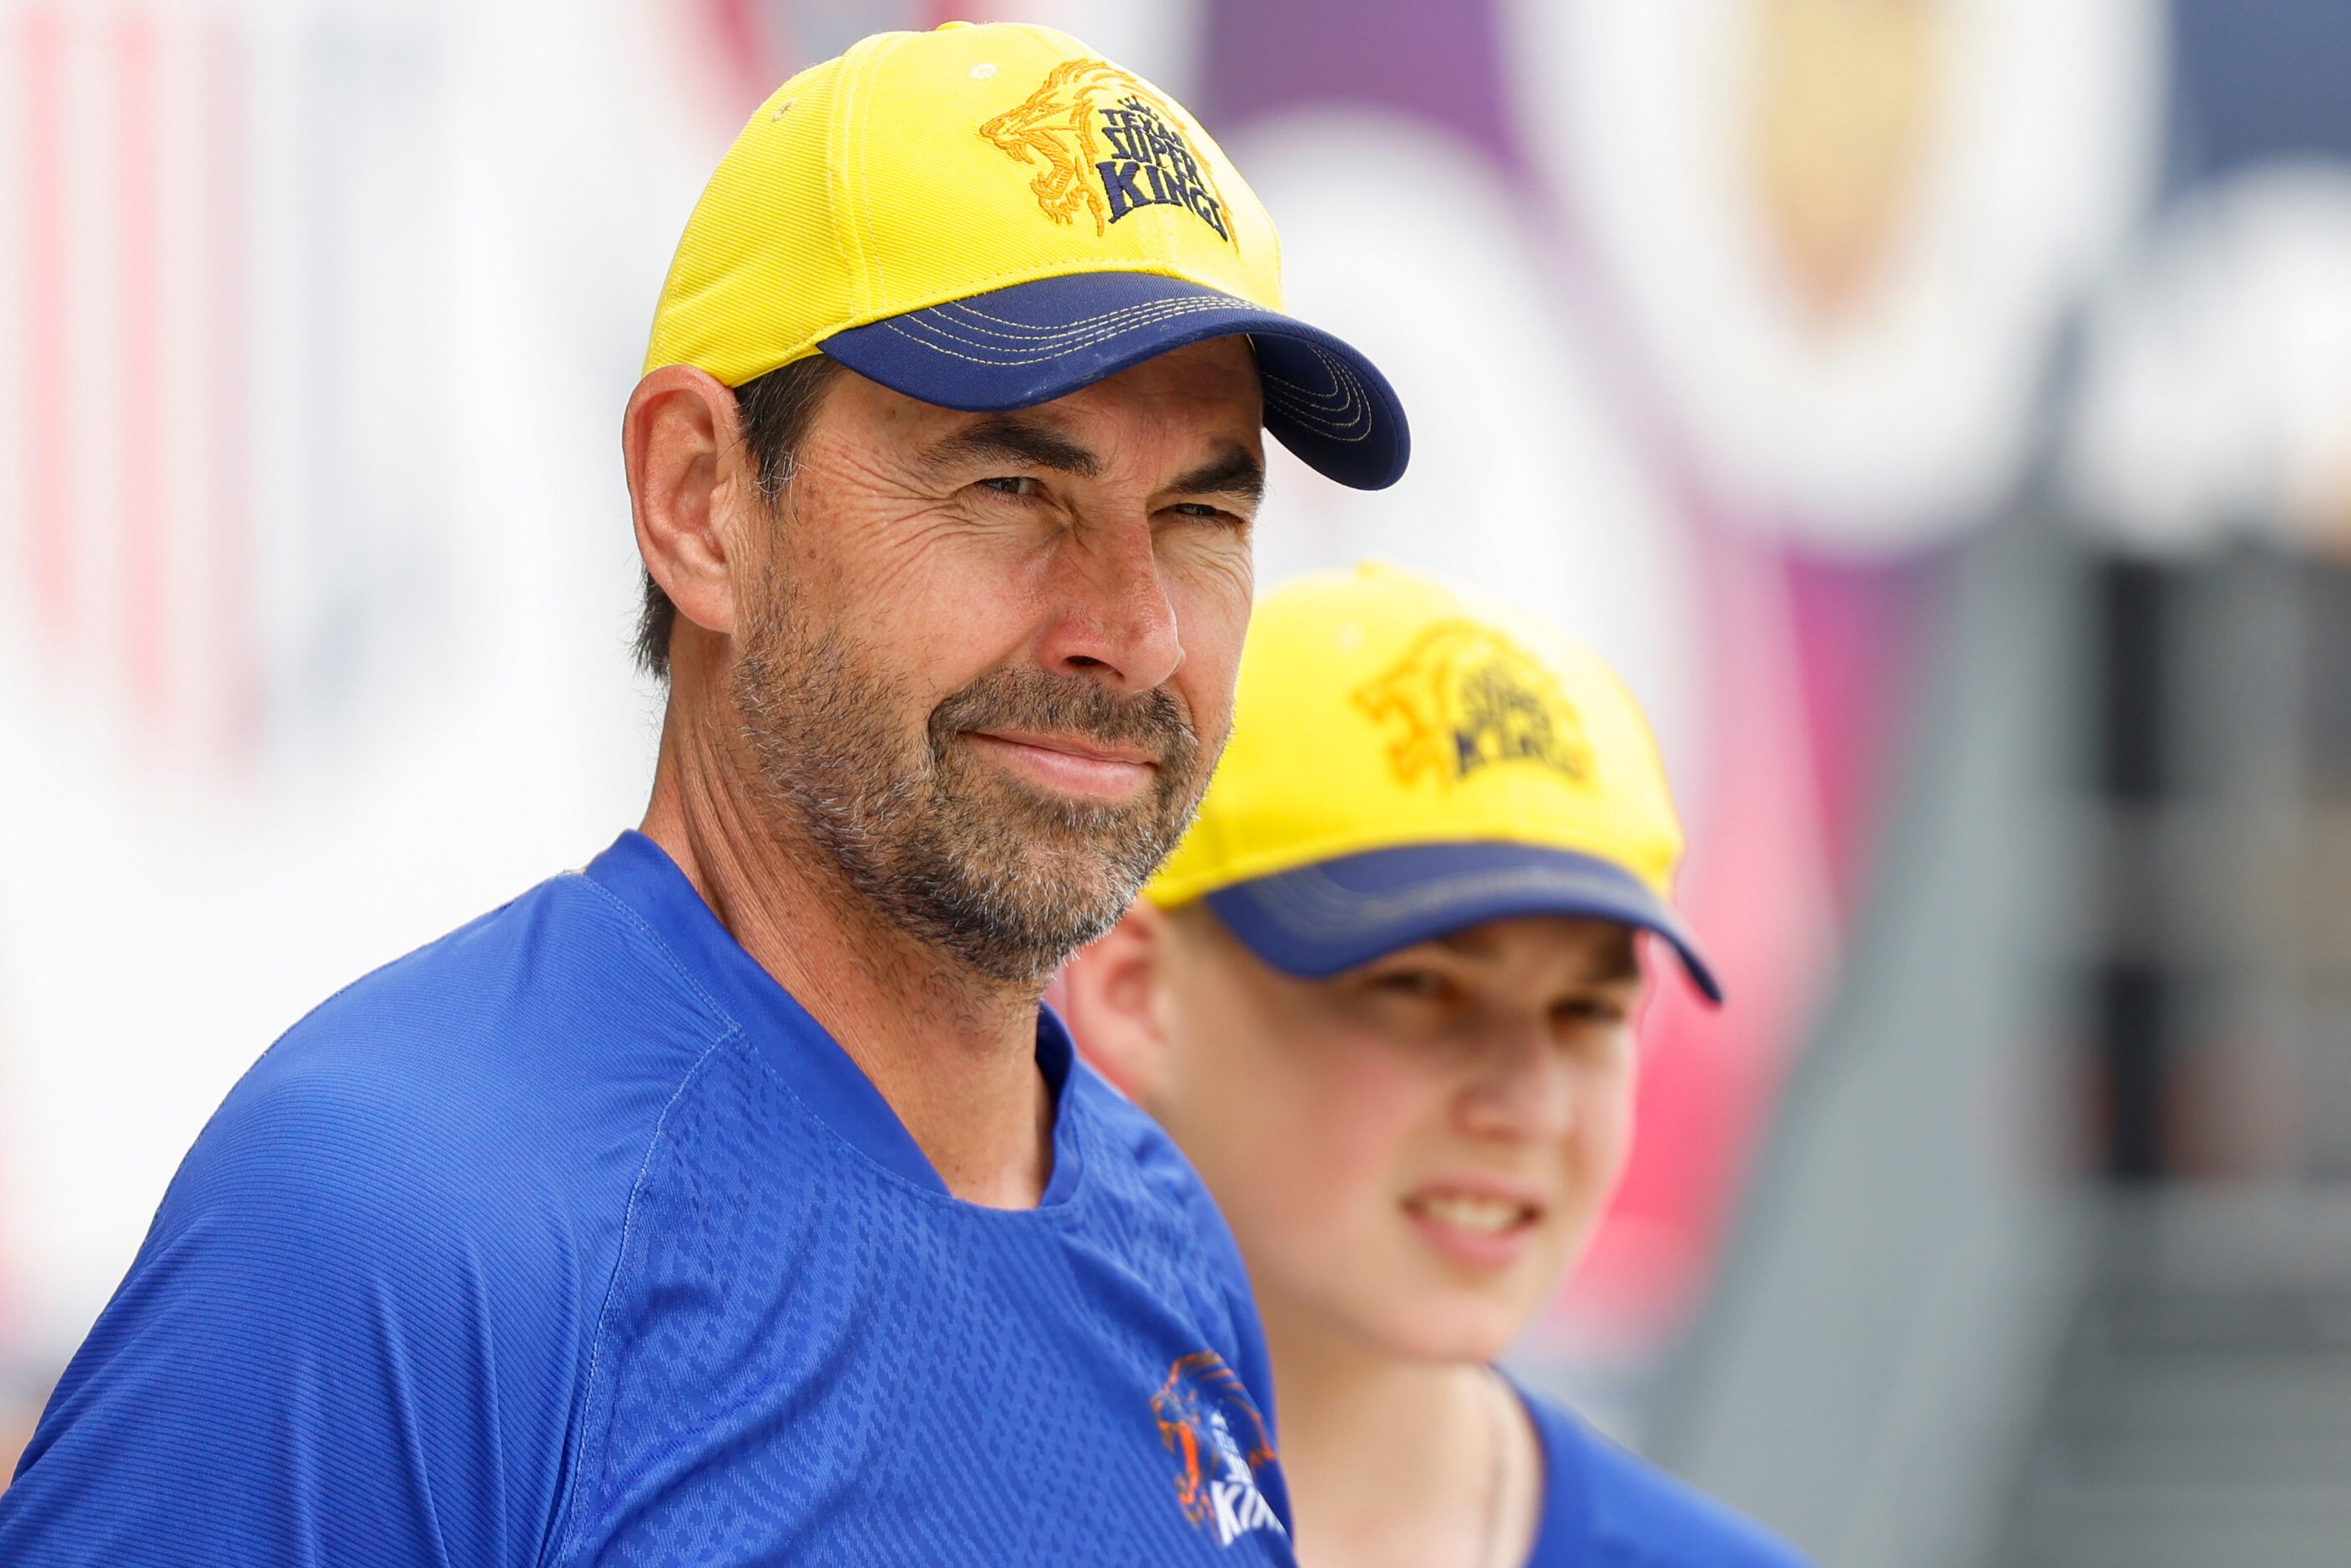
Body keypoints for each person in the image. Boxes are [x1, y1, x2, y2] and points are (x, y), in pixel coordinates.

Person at [0, 23, 1408, 1564]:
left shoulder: (1168, 1246)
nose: (1133, 627)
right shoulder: (392, 1221)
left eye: (1200, 511)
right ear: (698, 501)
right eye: (1012, 485)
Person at [1063, 564, 1812, 1566]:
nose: (1528, 1104)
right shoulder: (873, 1492)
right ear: (1133, 989)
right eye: (1420, 988)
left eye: (1586, 1010)